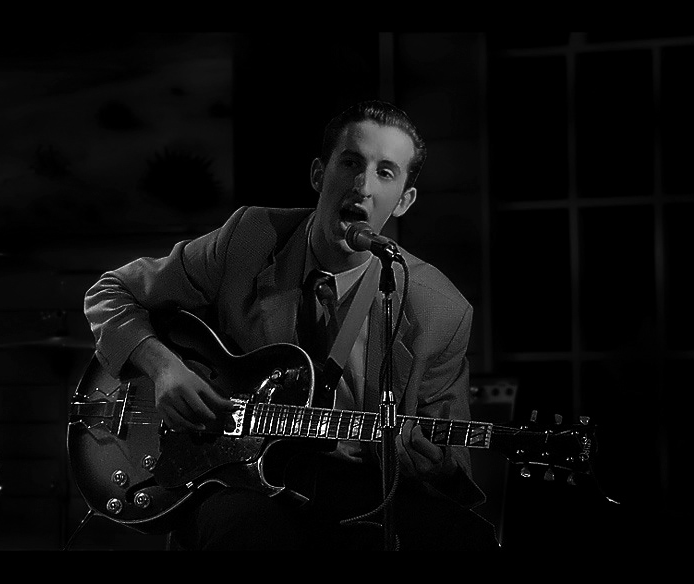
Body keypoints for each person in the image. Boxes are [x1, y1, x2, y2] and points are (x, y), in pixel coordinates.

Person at [83, 100, 500, 553]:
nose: (362, 187)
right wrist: (163, 367)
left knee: (470, 541)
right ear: (319, 174)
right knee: (252, 531)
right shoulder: (249, 237)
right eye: (351, 163)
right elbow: (110, 292)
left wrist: (430, 464)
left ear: (403, 201)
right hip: (234, 481)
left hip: (355, 489)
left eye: (385, 173)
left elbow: (452, 463)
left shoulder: (441, 310)